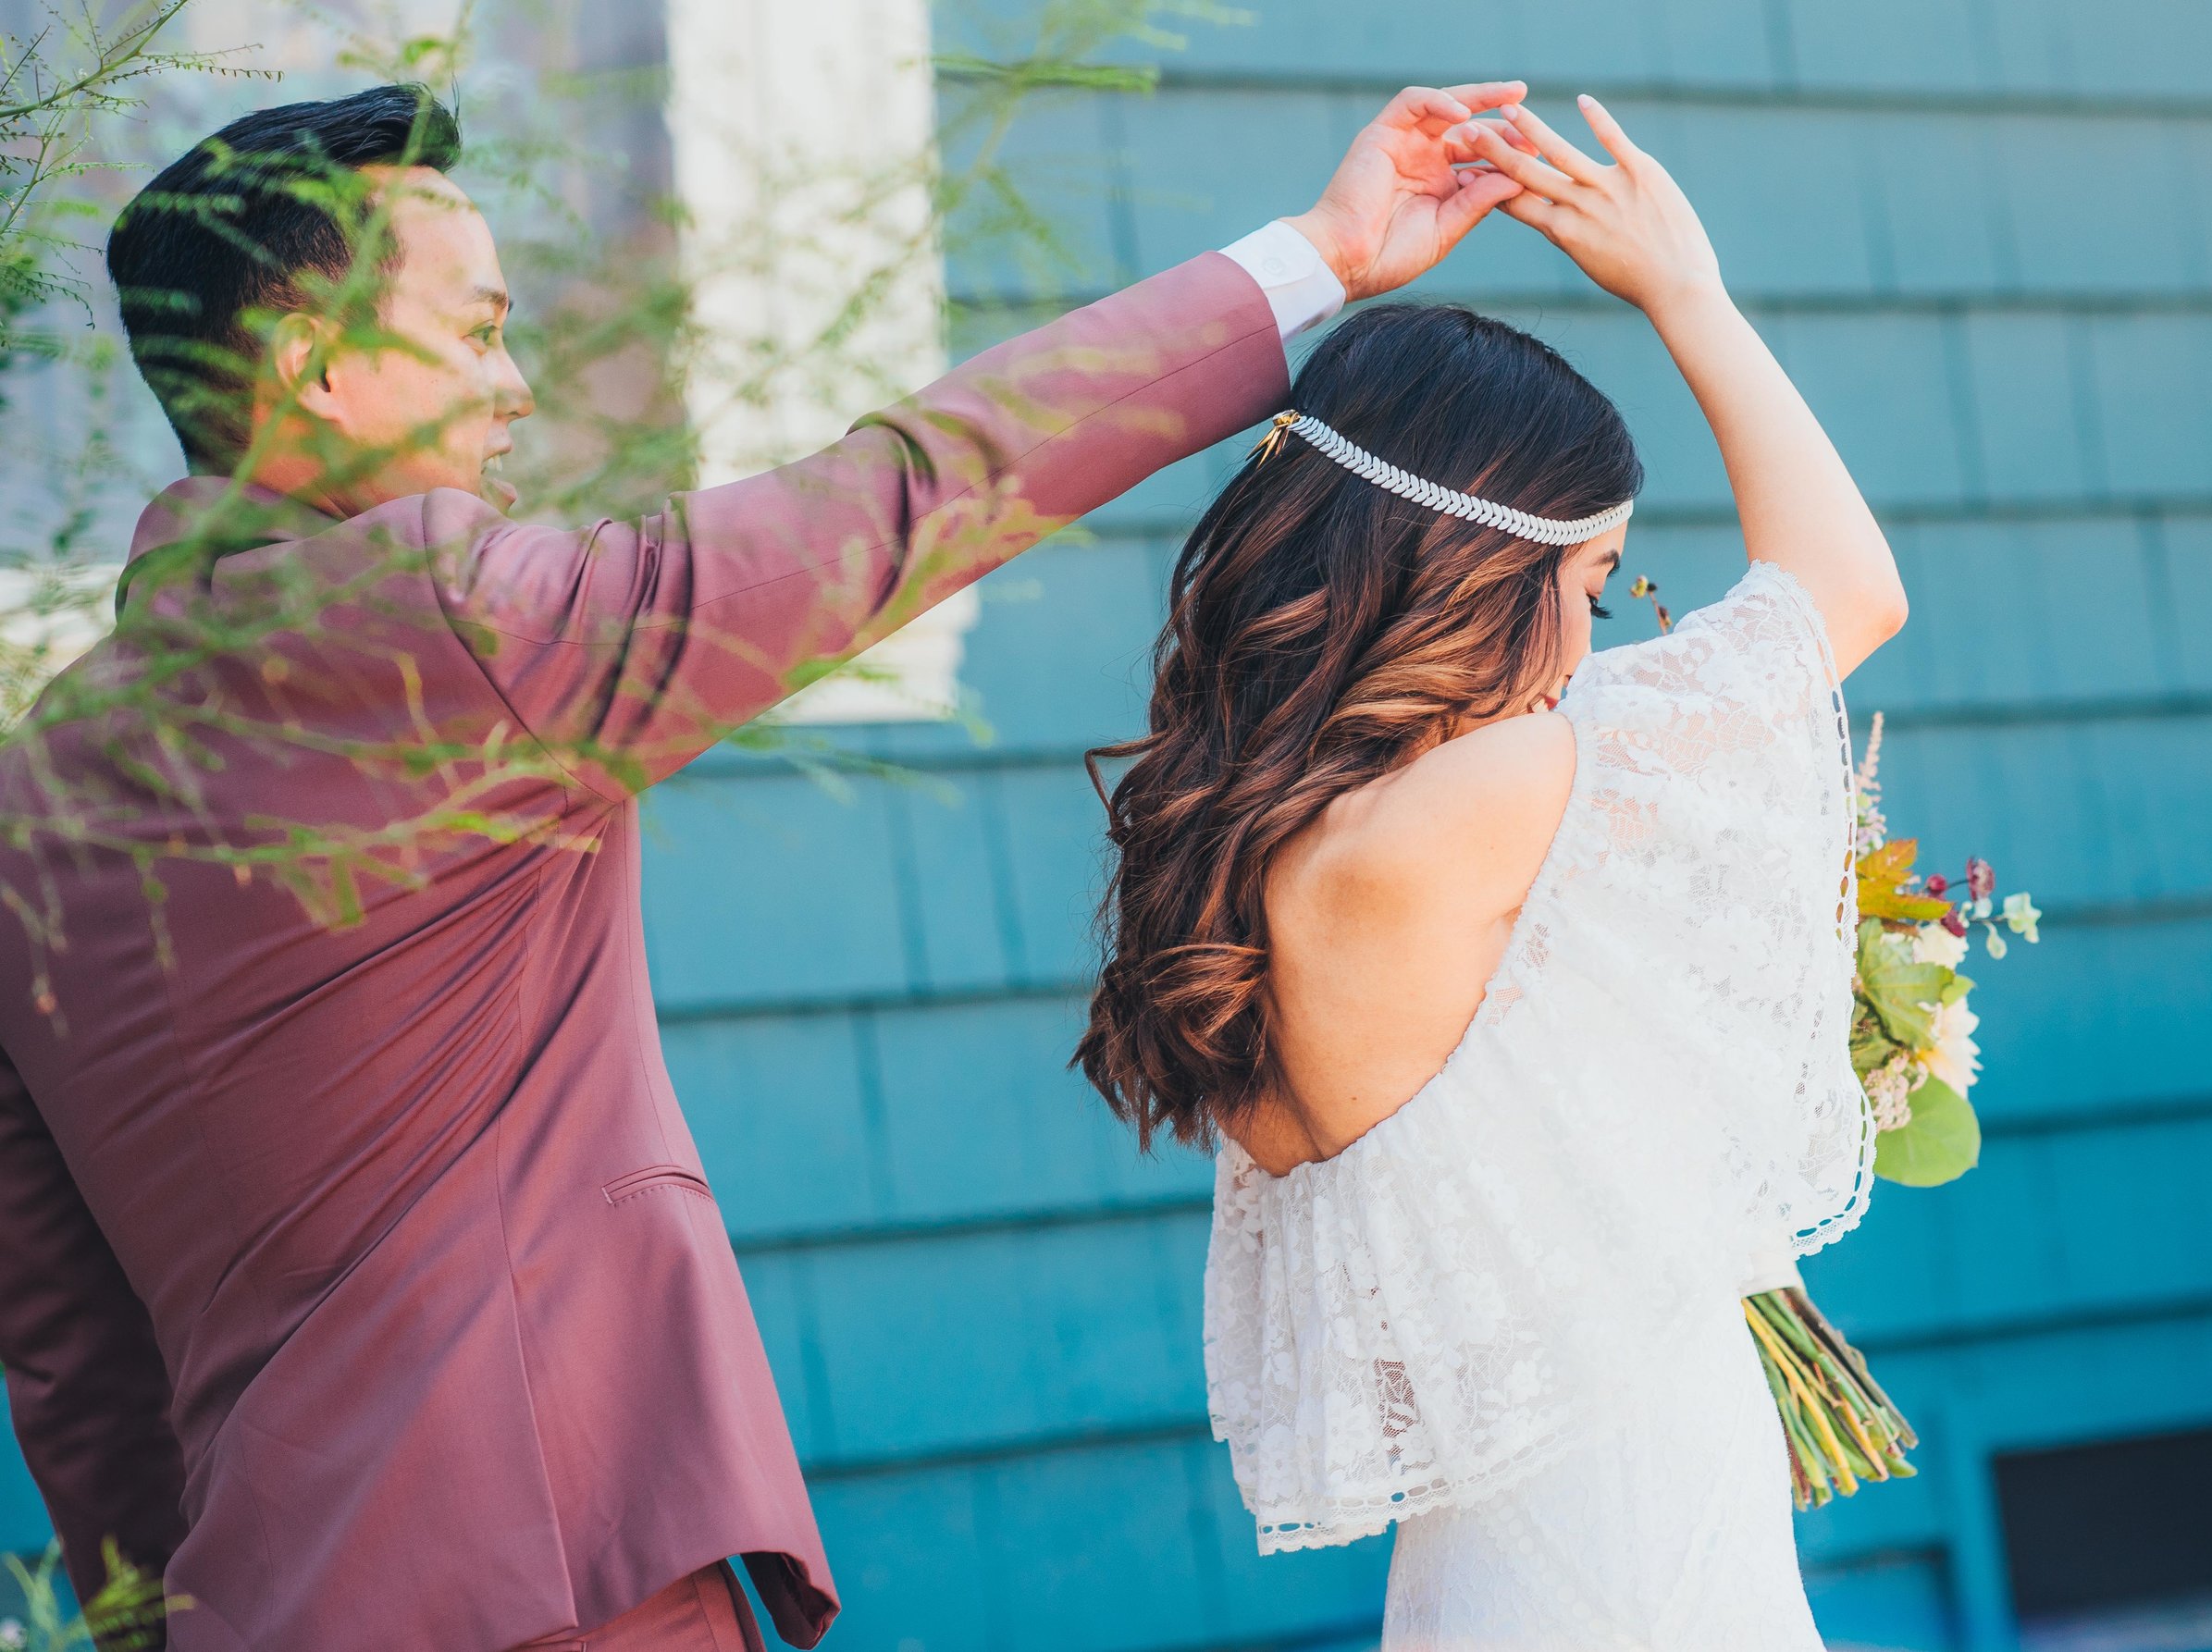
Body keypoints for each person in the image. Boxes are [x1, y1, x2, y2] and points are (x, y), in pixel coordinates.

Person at [0, 77, 1537, 1652]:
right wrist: (1320, 258)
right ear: (316, 370)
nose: (515, 386)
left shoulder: (32, 794)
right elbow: (907, 492)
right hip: (564, 1585)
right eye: (472, 334)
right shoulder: (458, 627)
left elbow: (68, 1352)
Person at [1077, 94, 1909, 1647]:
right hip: (1634, 1556)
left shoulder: (1266, 858)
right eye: (1588, 590)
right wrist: (1687, 294)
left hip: (1507, 1568)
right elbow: (1844, 592)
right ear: (1477, 571)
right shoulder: (1475, 803)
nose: (1586, 647)